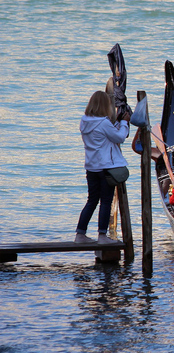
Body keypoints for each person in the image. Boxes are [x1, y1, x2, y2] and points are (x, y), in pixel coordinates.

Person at [74, 90, 131, 244]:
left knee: (92, 201)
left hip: (91, 167)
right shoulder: (104, 122)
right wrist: (124, 123)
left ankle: (80, 234)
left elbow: (108, 134)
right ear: (104, 105)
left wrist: (117, 124)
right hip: (106, 167)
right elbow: (119, 137)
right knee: (106, 201)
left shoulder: (84, 121)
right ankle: (102, 236)